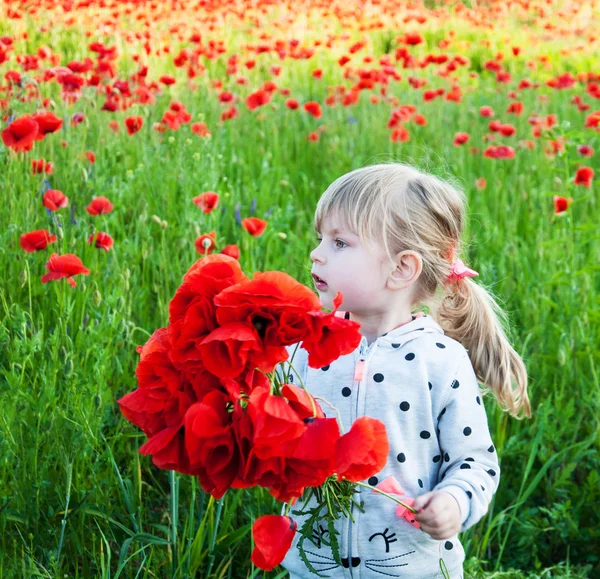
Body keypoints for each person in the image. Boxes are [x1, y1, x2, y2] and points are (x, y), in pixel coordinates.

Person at [276, 162, 531, 579]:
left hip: (413, 567)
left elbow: (475, 462)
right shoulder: (299, 348)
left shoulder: (440, 361)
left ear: (401, 269)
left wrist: (454, 502)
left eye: (340, 242)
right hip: (313, 564)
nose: (317, 253)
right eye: (320, 238)